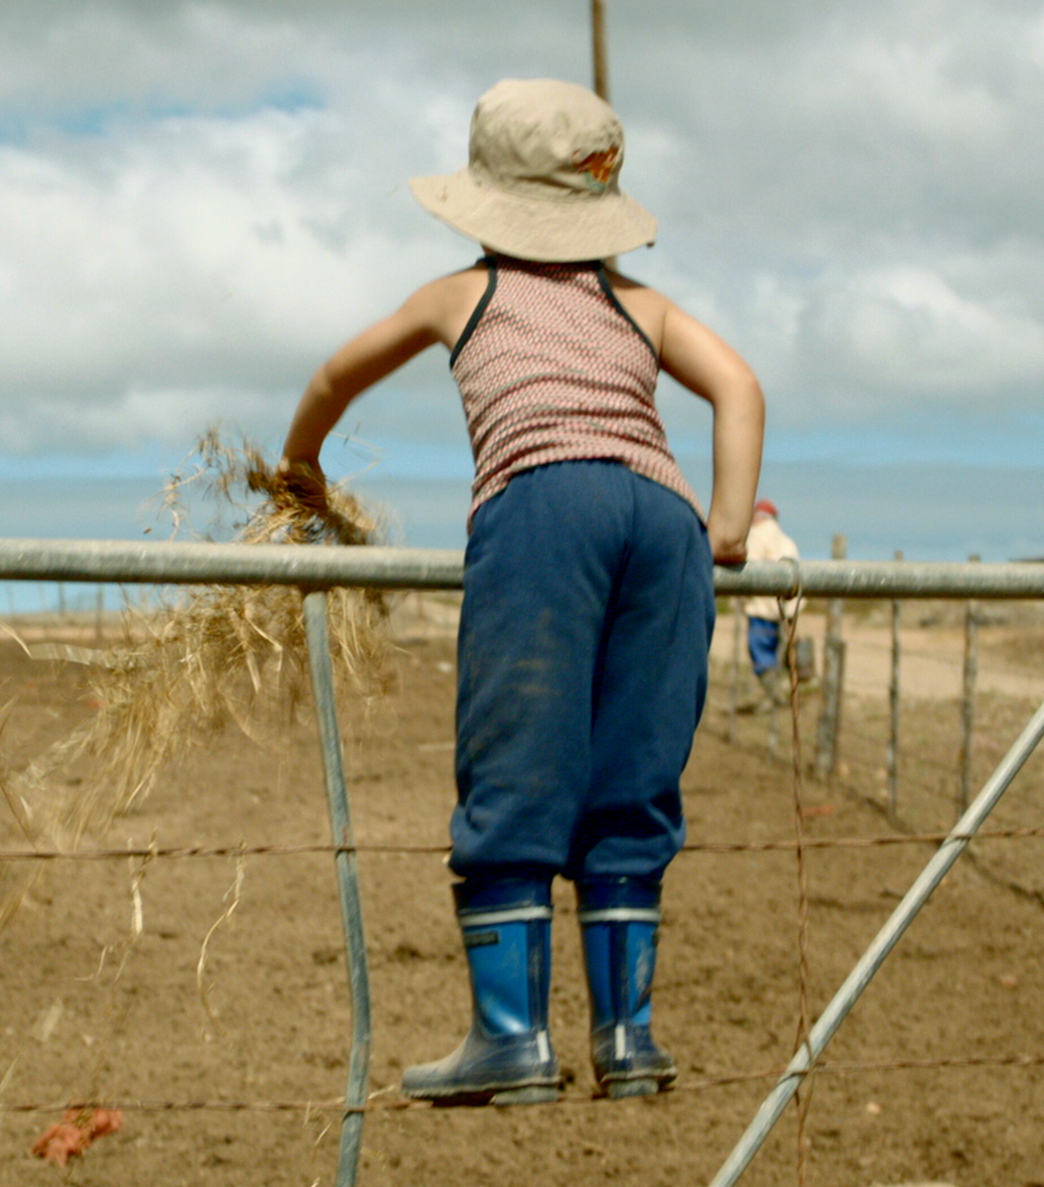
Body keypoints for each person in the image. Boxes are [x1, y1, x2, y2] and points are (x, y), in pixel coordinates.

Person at [278, 78, 764, 1106]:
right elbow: (738, 386)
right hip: (663, 520)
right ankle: (625, 1039)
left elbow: (334, 372)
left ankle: (509, 1038)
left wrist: (300, 470)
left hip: (544, 504)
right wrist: (722, 524)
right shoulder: (638, 304)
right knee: (631, 777)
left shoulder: (463, 292)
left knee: (516, 759)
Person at [740, 500, 803, 706]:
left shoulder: (756, 536)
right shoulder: (787, 541)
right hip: (789, 609)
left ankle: (775, 698)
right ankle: (785, 695)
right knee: (784, 650)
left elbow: (749, 572)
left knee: (762, 651)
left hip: (762, 609)